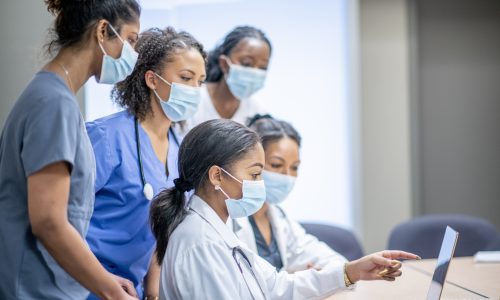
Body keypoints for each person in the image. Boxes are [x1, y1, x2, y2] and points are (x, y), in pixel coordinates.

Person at [150, 119, 420, 299]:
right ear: (217, 176)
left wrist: (351, 271)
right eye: (256, 174)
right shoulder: (200, 243)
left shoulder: (215, 231)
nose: (261, 184)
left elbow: (276, 285)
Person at [0, 0, 141, 299]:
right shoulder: (54, 103)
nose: (134, 54)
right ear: (103, 31)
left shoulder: (54, 97)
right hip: (33, 289)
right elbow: (49, 221)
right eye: (130, 40)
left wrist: (103, 278)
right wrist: (109, 291)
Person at [86, 27, 206, 299]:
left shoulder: (180, 150)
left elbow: (163, 231)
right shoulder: (105, 137)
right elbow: (60, 221)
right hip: (83, 283)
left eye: (200, 81)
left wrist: (153, 292)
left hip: (131, 289)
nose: (195, 90)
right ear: (152, 79)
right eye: (186, 78)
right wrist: (101, 280)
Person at [231, 114, 348, 272]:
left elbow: (335, 262)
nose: (287, 176)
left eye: (294, 167)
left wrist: (322, 274)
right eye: (276, 164)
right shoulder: (230, 219)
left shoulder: (279, 219)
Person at [184, 26, 271, 131]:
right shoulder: (192, 101)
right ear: (224, 64)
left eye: (262, 67)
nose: (255, 72)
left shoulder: (258, 113)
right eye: (247, 64)